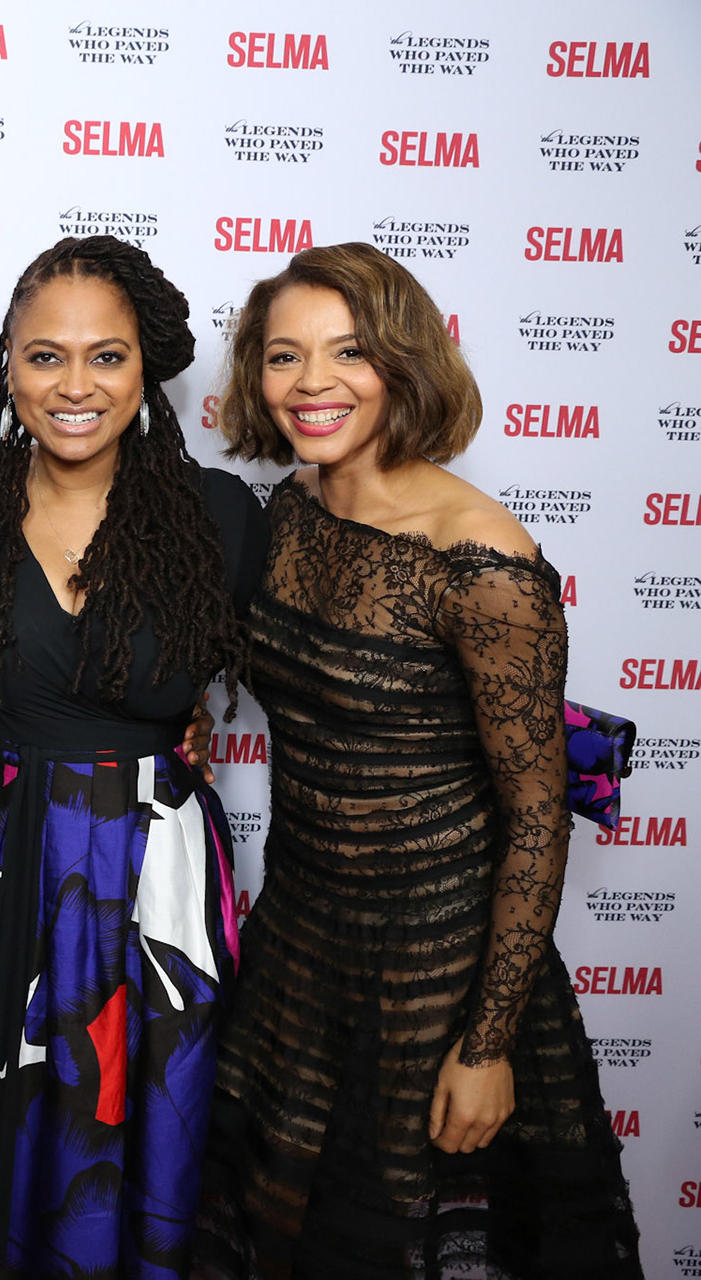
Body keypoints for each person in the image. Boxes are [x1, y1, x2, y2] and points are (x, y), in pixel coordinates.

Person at [198, 242, 641, 1278]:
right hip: (301, 940)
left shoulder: (480, 556)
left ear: (404, 361)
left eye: (348, 351)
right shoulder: (293, 510)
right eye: (283, 355)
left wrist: (485, 1045)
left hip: (436, 967)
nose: (312, 382)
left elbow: (538, 813)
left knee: (388, 1244)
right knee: (277, 1231)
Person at [0, 236, 266, 1278]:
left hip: (155, 878)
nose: (74, 386)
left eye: (106, 356)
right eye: (44, 356)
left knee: (154, 1136)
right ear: (7, 364)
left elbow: (346, 671)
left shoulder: (221, 518)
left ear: (146, 368)